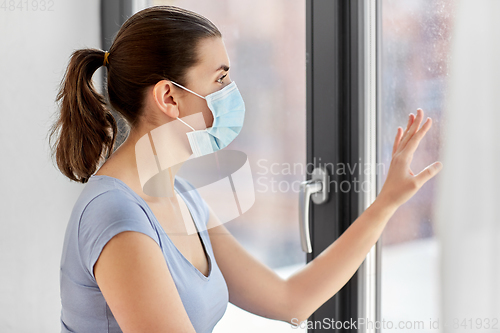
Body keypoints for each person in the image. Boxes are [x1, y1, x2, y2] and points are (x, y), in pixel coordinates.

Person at [48, 5, 443, 333]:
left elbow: (291, 301)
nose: (231, 92)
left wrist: (386, 203)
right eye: (220, 78)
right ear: (169, 96)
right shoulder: (116, 216)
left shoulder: (183, 198)